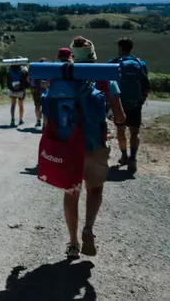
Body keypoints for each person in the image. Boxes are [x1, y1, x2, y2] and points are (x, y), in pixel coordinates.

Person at [60, 37, 126, 258]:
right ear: (94, 56)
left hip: (69, 145)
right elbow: (120, 116)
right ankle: (88, 228)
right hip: (96, 143)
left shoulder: (63, 76)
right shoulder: (105, 78)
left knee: (71, 192)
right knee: (95, 189)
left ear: (72, 56)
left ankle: (73, 243)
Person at [108, 37, 150, 173]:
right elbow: (146, 84)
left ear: (120, 48)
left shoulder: (113, 63)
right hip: (135, 103)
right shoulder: (139, 63)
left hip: (119, 102)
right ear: (131, 48)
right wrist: (142, 99)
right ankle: (133, 159)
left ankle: (124, 156)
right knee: (134, 132)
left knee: (120, 130)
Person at [7, 62, 28, 127]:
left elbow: (8, 79)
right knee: (21, 105)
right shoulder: (24, 69)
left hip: (12, 90)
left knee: (13, 105)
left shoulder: (10, 69)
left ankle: (12, 119)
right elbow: (27, 79)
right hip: (21, 90)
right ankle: (20, 119)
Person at [30, 58, 48, 128]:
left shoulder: (35, 70)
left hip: (36, 91)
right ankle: (44, 123)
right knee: (45, 107)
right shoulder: (48, 69)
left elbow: (31, 82)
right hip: (45, 90)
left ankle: (38, 121)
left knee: (37, 106)